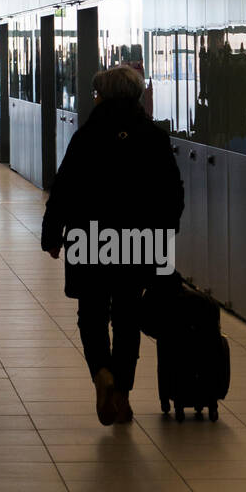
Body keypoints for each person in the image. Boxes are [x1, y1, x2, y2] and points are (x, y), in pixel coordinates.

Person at [40, 63, 184, 426]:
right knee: (127, 315)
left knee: (91, 311)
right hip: (137, 241)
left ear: (103, 95)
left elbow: (65, 187)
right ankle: (121, 392)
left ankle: (101, 373)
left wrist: (52, 233)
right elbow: (172, 193)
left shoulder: (87, 136)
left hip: (90, 237)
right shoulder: (153, 136)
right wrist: (163, 234)